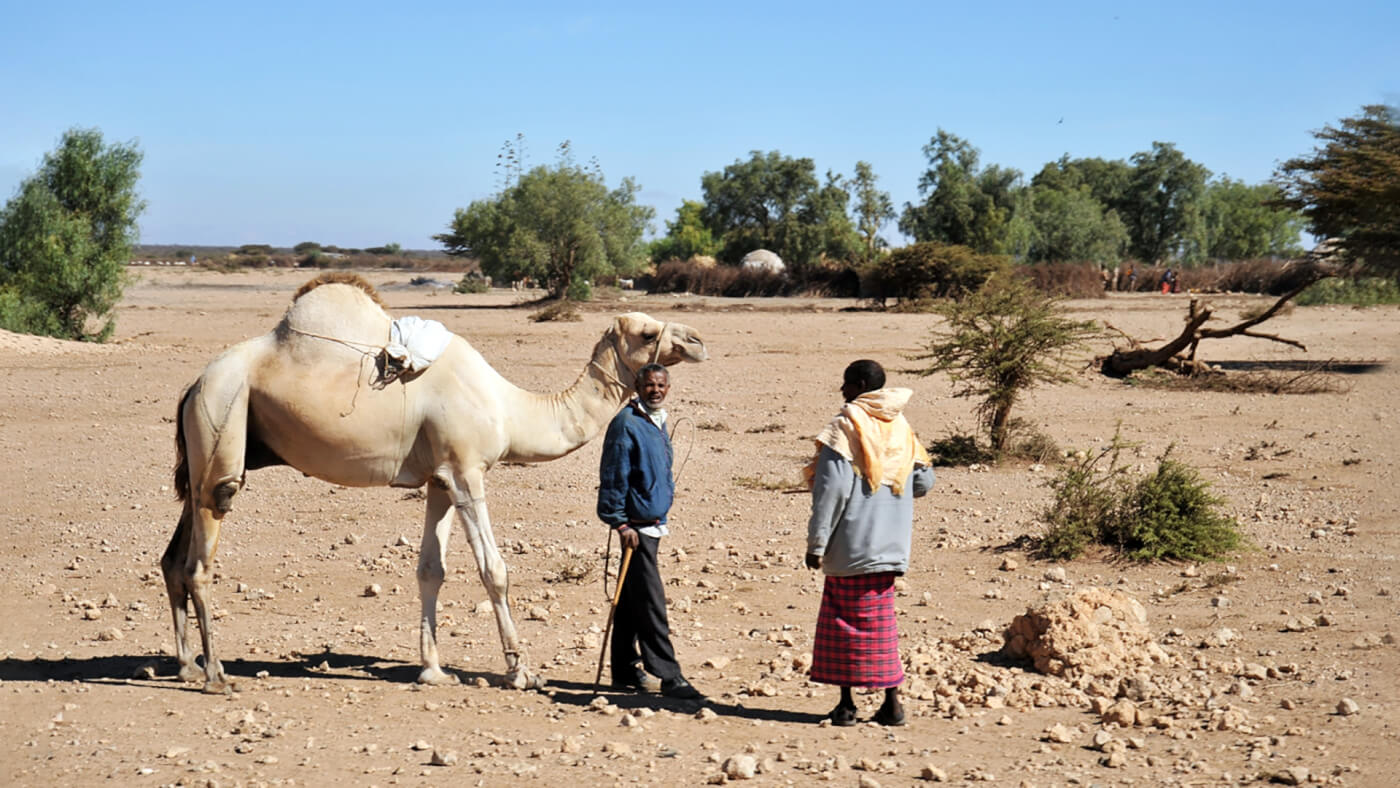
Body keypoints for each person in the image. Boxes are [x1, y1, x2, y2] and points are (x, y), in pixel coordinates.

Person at [804, 360, 934, 726]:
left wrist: (817, 544)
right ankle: (891, 703)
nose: (842, 391)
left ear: (860, 385)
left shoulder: (845, 428)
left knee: (842, 622)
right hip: (892, 546)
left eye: (846, 384)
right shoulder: (901, 427)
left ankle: (846, 705)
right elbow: (924, 482)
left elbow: (830, 492)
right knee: (881, 625)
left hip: (851, 545)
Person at [597, 363, 704, 700]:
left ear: (667, 388)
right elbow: (614, 476)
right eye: (649, 385)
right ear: (636, 386)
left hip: (652, 525)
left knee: (631, 600)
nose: (655, 390)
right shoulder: (626, 424)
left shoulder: (657, 421)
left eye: (660, 385)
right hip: (636, 530)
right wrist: (620, 522)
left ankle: (625, 670)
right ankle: (669, 675)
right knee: (651, 602)